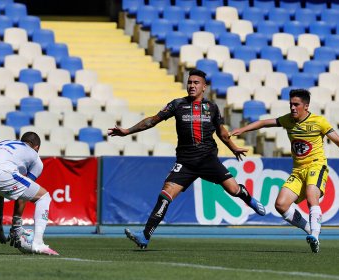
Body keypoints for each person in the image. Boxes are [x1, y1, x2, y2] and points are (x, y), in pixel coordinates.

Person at [108, 69, 266, 249]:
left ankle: (250, 200)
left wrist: (234, 148)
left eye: (196, 83)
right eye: (189, 82)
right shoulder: (177, 104)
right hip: (185, 162)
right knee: (165, 196)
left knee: (234, 190)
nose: (191, 85)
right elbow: (152, 120)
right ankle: (144, 237)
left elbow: (222, 133)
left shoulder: (212, 108)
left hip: (208, 160)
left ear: (204, 87)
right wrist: (127, 131)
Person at [230, 88, 339, 253]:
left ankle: (315, 235)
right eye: (291, 105)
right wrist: (243, 130)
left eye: (296, 105)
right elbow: (264, 122)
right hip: (298, 171)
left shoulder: (319, 122)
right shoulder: (288, 120)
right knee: (281, 205)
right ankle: (310, 230)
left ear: (306, 106)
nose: (293, 108)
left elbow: (336, 139)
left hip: (316, 166)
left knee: (311, 195)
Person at [0, 132, 58, 255]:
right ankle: (38, 243)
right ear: (37, 147)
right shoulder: (35, 157)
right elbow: (23, 196)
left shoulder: (4, 142)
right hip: (0, 172)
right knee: (43, 197)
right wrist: (16, 226)